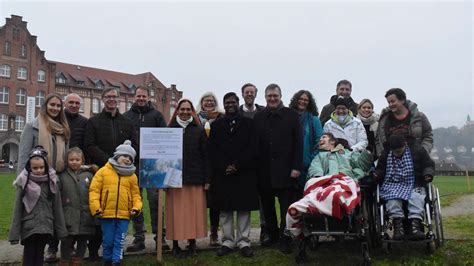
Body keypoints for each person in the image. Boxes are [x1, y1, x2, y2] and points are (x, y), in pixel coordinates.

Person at [84, 87, 138, 260]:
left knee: (119, 215)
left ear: (119, 99)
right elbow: (89, 145)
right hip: (102, 171)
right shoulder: (94, 121)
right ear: (102, 99)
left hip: (124, 176)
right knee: (100, 214)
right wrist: (109, 161)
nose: (111, 99)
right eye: (108, 97)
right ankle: (94, 249)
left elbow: (134, 146)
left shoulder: (127, 122)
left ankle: (117, 252)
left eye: (114, 96)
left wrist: (124, 163)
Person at [286, 132, 373, 239]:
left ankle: (333, 202)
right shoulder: (319, 157)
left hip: (344, 182)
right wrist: (321, 178)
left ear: (332, 141)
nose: (320, 140)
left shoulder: (346, 153)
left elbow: (361, 165)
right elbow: (315, 169)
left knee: (337, 192)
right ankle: (307, 208)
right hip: (325, 183)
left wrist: (367, 153)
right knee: (325, 192)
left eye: (324, 137)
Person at [17, 93, 70, 262]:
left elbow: (65, 156)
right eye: (52, 105)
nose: (55, 108)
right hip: (34, 183)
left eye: (58, 106)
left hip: (54, 182)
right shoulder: (32, 127)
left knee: (49, 224)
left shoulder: (63, 129)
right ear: (45, 106)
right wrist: (22, 184)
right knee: (33, 230)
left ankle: (49, 253)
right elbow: (24, 157)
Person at [254, 83, 303, 253]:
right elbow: (256, 144)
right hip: (265, 170)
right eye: (269, 96)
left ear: (280, 96)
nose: (272, 99)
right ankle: (272, 235)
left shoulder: (292, 115)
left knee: (285, 208)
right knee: (267, 207)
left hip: (286, 169)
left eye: (275, 96)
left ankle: (285, 238)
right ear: (265, 98)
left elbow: (298, 142)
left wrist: (296, 166)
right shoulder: (259, 117)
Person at [209, 92, 259, 257]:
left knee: (243, 210)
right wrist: (225, 166)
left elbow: (252, 148)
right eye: (227, 103)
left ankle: (244, 242)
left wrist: (237, 165)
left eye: (233, 102)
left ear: (238, 103)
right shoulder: (216, 125)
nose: (230, 105)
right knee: (226, 210)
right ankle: (228, 242)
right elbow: (213, 150)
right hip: (223, 173)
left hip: (244, 172)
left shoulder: (249, 124)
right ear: (223, 105)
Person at [123, 86, 169, 252]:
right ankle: (139, 238)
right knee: (136, 203)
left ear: (147, 97)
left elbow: (164, 137)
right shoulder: (127, 117)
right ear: (134, 97)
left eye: (143, 96)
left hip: (153, 166)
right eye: (138, 96)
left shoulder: (156, 115)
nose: (141, 98)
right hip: (133, 166)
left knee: (156, 202)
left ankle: (160, 238)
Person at [9, 146, 67, 266]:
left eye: (41, 167)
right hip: (29, 227)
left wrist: (61, 231)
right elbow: (17, 210)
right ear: (29, 168)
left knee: (39, 255)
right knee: (29, 255)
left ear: (46, 166)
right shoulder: (23, 183)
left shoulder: (52, 182)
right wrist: (14, 234)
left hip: (45, 226)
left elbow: (57, 208)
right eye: (35, 168)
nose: (39, 170)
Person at [166, 98, 209, 257]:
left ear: (192, 111)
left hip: (194, 178)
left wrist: (207, 179)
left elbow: (206, 156)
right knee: (175, 213)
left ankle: (192, 243)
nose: (185, 112)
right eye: (181, 109)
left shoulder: (198, 130)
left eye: (188, 109)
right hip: (173, 179)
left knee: (193, 213)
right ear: (177, 111)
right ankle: (175, 244)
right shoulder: (169, 130)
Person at [89, 140, 142, 265]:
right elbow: (94, 191)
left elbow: (136, 195)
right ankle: (107, 260)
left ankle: (116, 261)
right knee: (108, 240)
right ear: (117, 156)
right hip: (106, 214)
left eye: (130, 158)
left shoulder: (132, 176)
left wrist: (136, 207)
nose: (127, 159)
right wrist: (96, 208)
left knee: (120, 240)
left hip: (124, 215)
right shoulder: (103, 172)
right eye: (125, 156)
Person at [373, 135, 435, 240]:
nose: (397, 154)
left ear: (405, 145)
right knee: (392, 200)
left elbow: (428, 164)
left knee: (416, 197)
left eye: (399, 151)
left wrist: (428, 173)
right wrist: (377, 175)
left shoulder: (418, 151)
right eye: (395, 152)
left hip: (414, 182)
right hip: (392, 184)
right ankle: (398, 226)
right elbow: (381, 168)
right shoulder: (386, 153)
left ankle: (415, 226)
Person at [58, 147, 98, 265]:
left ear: (82, 160)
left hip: (86, 215)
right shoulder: (62, 175)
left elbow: (94, 194)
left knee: (82, 241)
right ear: (67, 160)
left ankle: (78, 260)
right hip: (68, 215)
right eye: (71, 159)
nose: (74, 162)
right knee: (66, 241)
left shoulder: (89, 176)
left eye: (77, 159)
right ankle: (64, 260)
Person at [196, 92, 223, 246]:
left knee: (215, 203)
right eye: (206, 101)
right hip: (198, 164)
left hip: (215, 164)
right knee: (197, 201)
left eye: (212, 101)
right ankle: (194, 233)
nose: (209, 103)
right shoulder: (195, 118)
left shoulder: (221, 117)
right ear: (202, 102)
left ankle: (214, 232)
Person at [376, 88, 433, 158]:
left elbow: (428, 135)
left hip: (416, 159)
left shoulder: (419, 117)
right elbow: (378, 139)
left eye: (393, 101)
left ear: (402, 100)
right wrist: (382, 155)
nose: (390, 104)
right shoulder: (384, 120)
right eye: (388, 102)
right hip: (391, 160)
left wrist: (423, 151)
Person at [288, 90, 323, 197]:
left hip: (308, 165)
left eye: (306, 100)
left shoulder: (314, 120)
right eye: (300, 99)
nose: (302, 102)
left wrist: (311, 159)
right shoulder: (288, 117)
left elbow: (319, 141)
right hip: (289, 165)